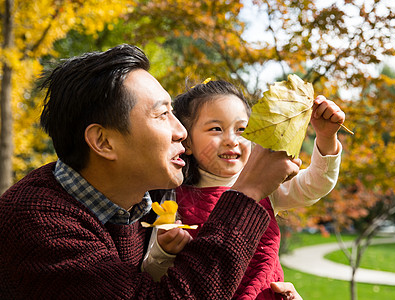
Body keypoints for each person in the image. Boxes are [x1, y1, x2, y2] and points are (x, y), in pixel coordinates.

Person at [0, 45, 302, 299]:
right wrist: (247, 194)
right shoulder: (36, 224)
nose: (182, 131)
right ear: (104, 142)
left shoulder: (149, 196)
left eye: (174, 113)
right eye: (161, 115)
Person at [142, 79, 344, 299]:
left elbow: (315, 184)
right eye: (216, 129)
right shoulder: (173, 200)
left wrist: (326, 137)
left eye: (242, 130)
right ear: (187, 142)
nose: (232, 140)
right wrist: (164, 251)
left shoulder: (267, 187)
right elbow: (152, 278)